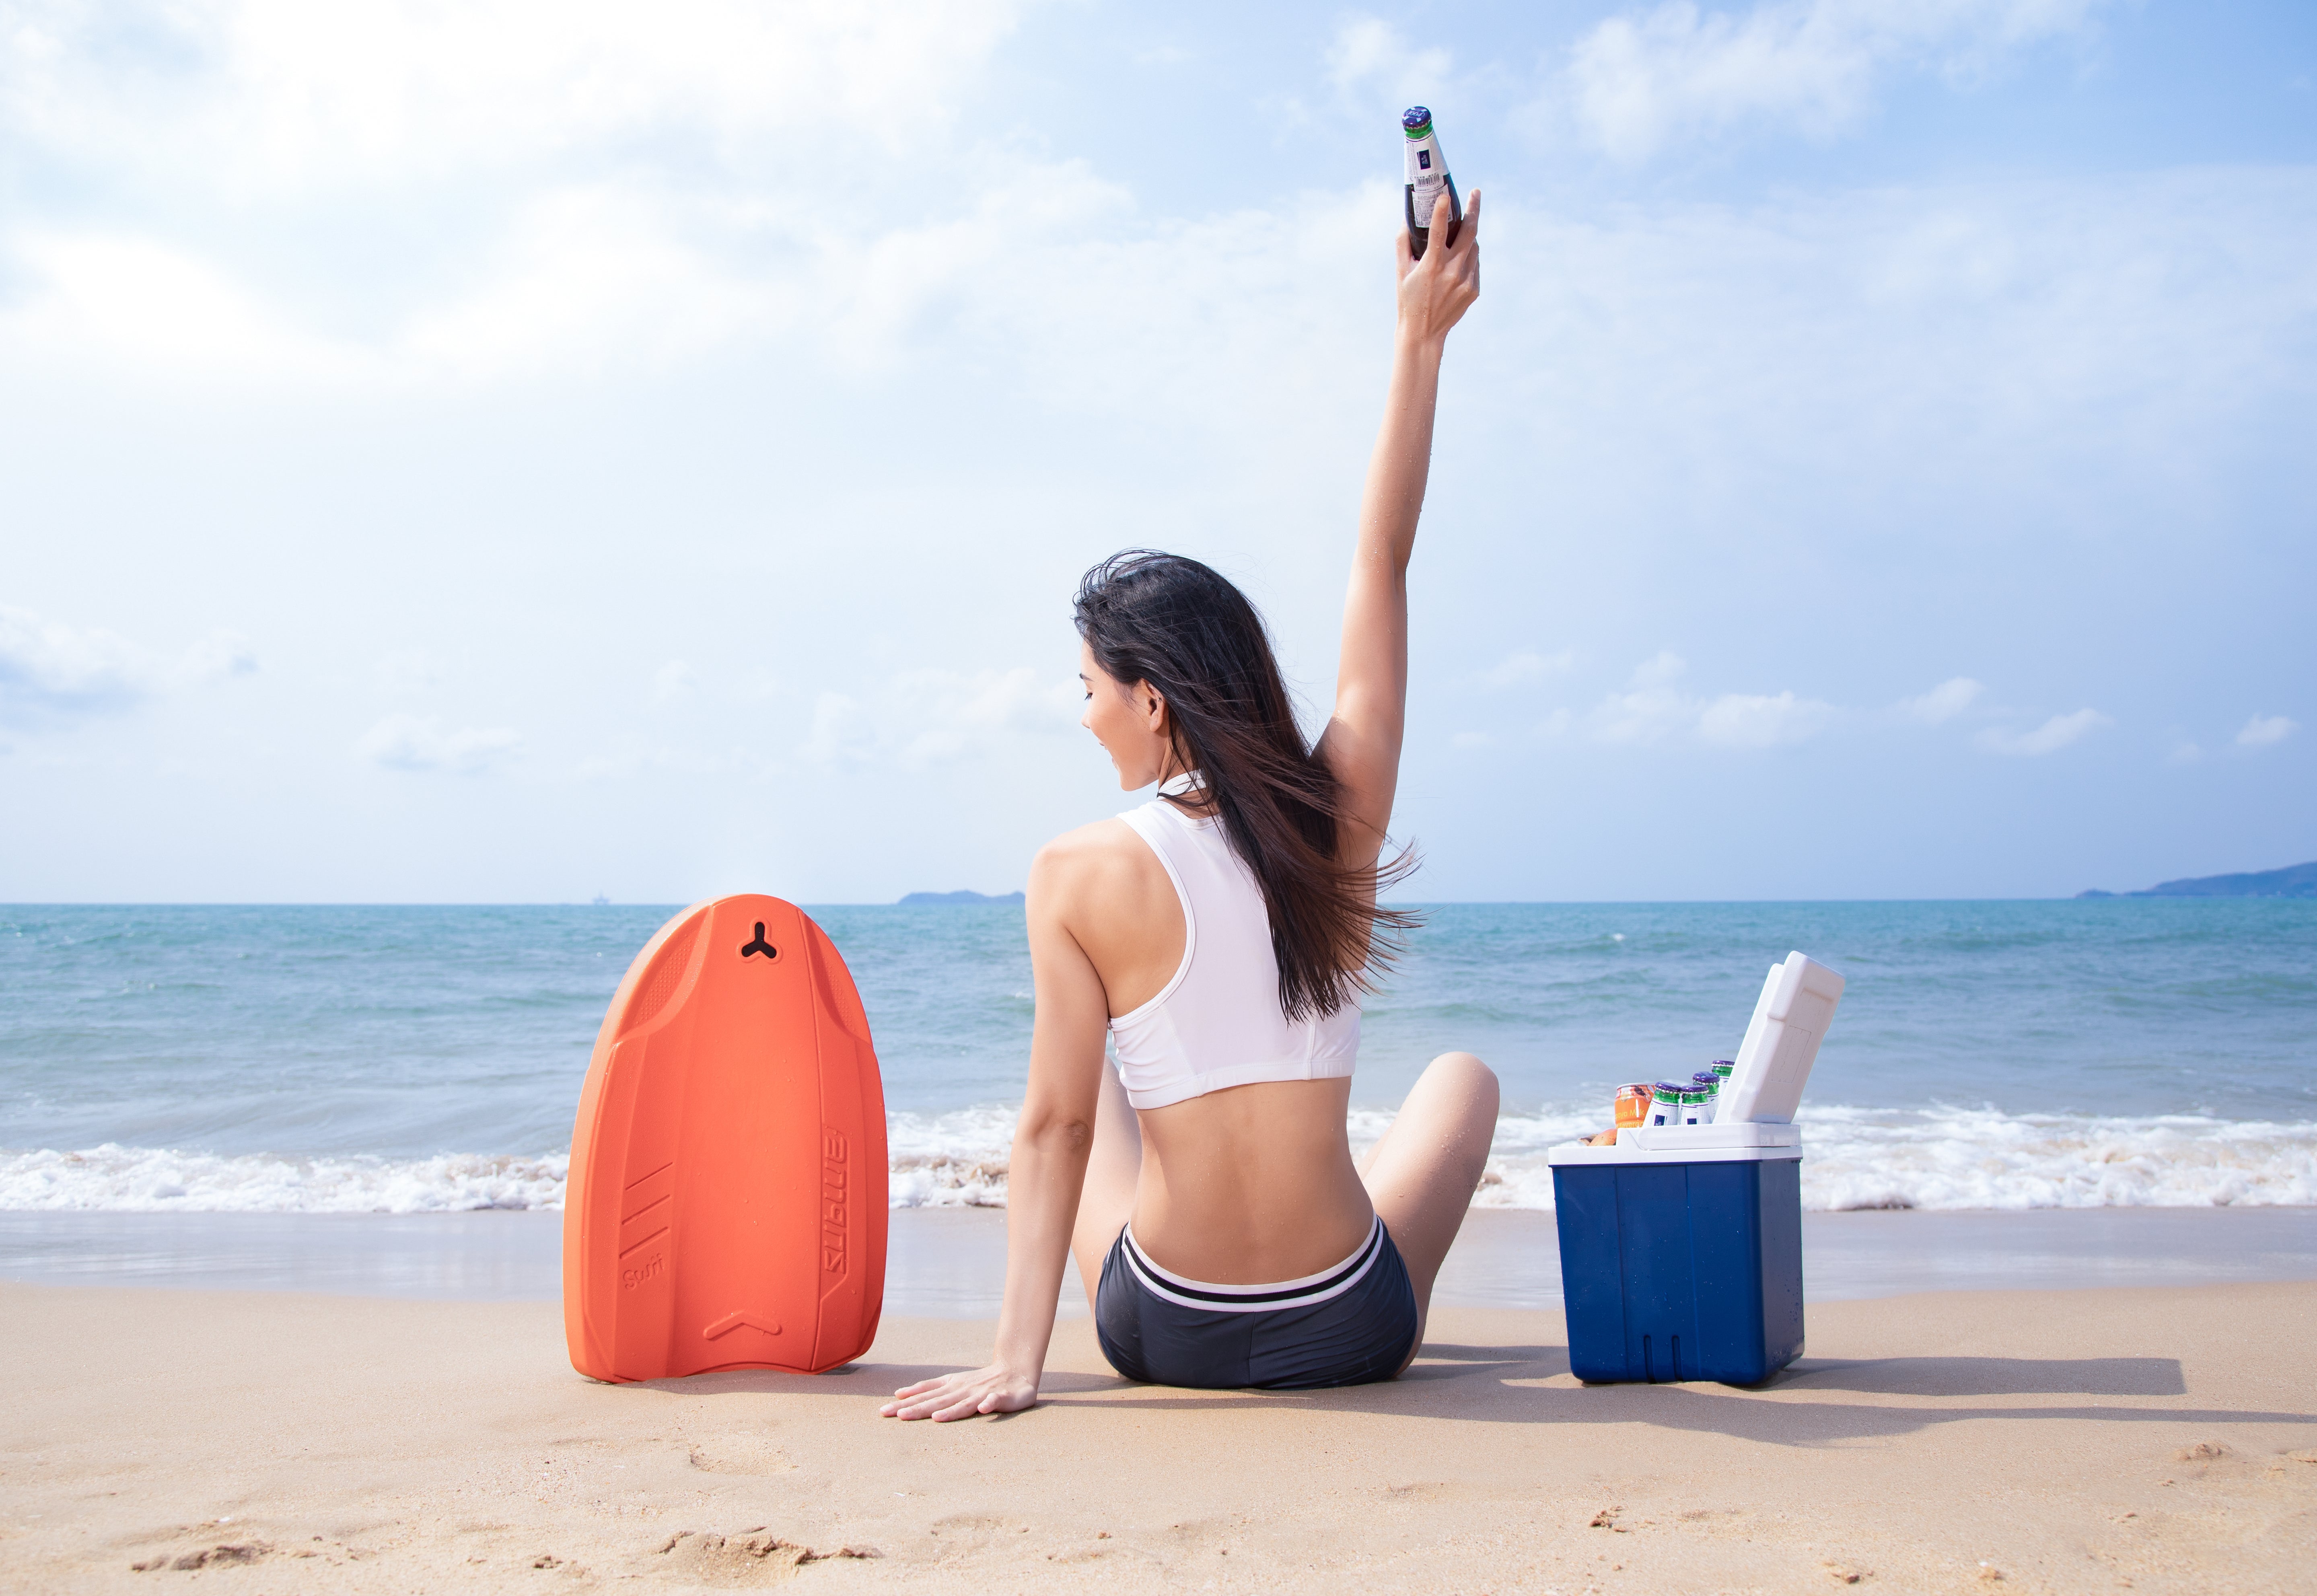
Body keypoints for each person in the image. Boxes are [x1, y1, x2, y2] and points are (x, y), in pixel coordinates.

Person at [881, 189, 1491, 1420]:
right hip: (1353, 1325)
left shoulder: (1075, 871)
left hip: (1169, 1333)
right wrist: (1420, 338)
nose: (1086, 710)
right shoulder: (1341, 808)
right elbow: (1383, 560)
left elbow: (1052, 1133)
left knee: (1086, 1070)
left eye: (1091, 687)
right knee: (1465, 1081)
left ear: (1152, 700)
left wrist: (1016, 1365)